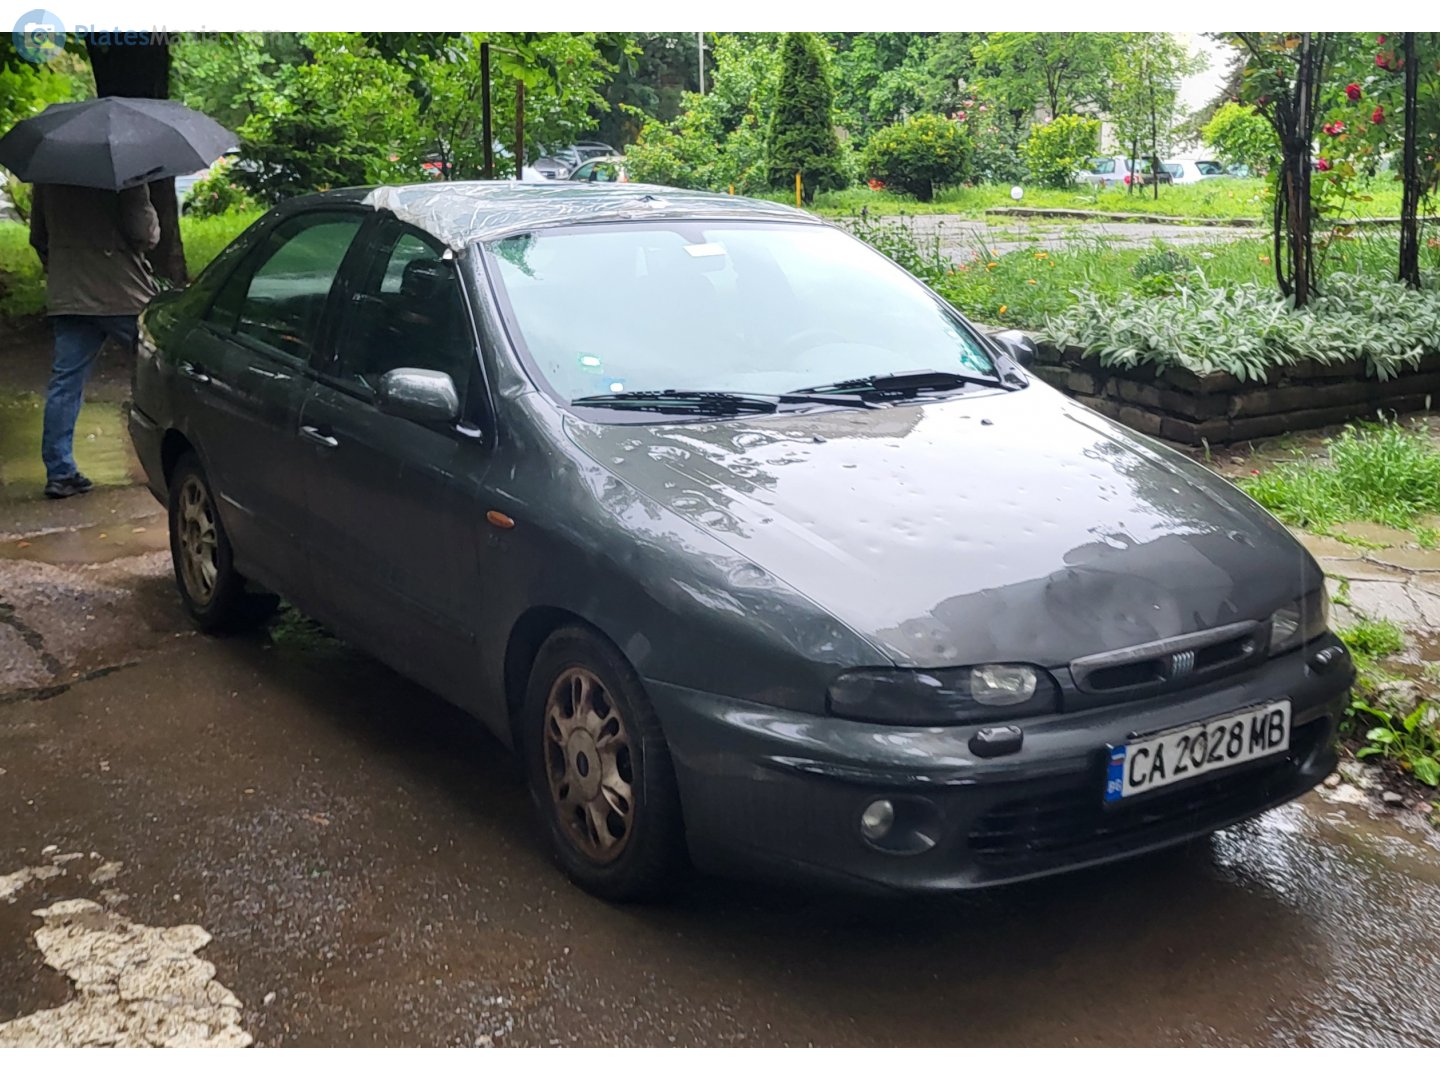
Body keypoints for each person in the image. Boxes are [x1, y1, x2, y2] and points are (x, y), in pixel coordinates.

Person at [29, 182, 160, 498]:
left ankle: (60, 473)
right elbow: (144, 234)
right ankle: (171, 461)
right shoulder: (125, 174)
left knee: (65, 383)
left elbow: (39, 238)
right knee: (163, 369)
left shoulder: (49, 176)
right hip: (123, 293)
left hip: (70, 293)